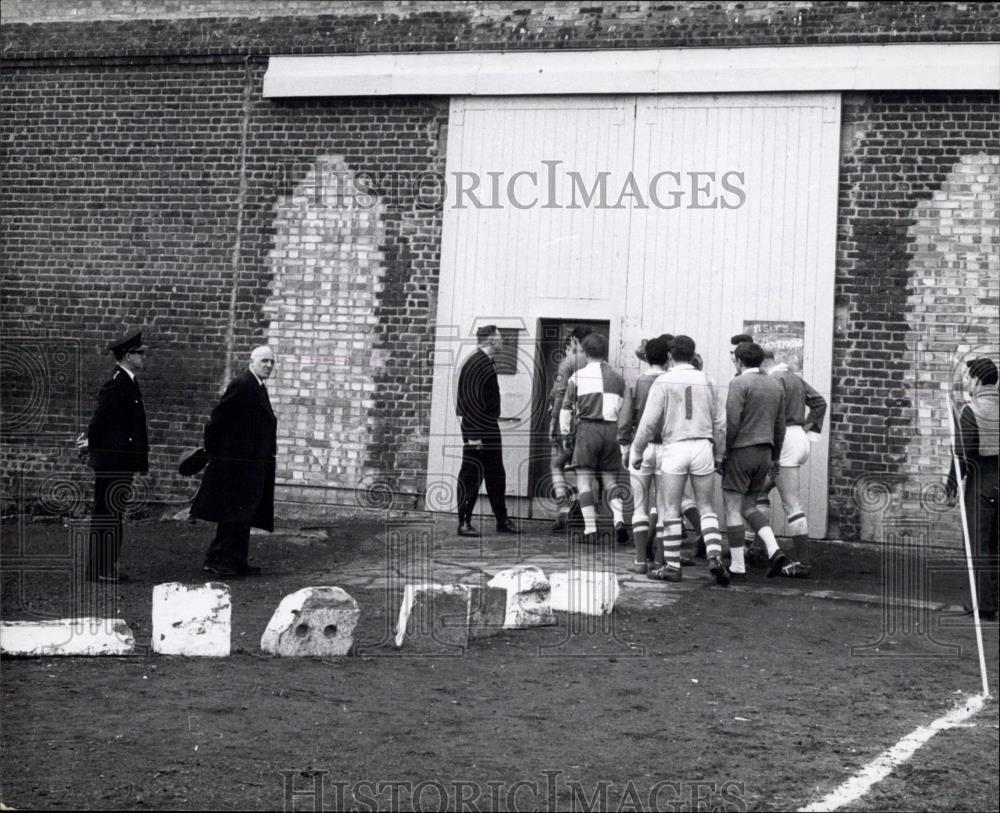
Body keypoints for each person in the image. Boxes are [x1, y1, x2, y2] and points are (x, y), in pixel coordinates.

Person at [632, 335, 726, 583]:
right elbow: (720, 423)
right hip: (703, 445)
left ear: (671, 356)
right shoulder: (708, 380)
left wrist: (638, 450)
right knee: (706, 506)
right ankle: (714, 555)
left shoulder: (664, 380)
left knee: (671, 508)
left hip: (675, 447)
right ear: (693, 354)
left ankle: (672, 566)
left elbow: (649, 423)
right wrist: (718, 454)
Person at [191, 345, 278, 576]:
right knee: (232, 513)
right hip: (236, 464)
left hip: (251, 464)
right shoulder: (242, 384)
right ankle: (216, 560)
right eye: (264, 361)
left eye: (272, 362)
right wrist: (219, 453)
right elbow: (217, 420)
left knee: (243, 513)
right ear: (252, 362)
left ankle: (236, 560)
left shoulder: (257, 387)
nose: (269, 366)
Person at [81, 331, 150, 582]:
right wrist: (96, 448)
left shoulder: (127, 381)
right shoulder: (116, 383)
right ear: (127, 355)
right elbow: (99, 423)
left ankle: (105, 566)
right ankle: (101, 569)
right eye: (139, 353)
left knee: (112, 513)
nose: (144, 357)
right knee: (108, 514)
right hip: (113, 462)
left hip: (119, 461)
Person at [720, 341, 787, 583]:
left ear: (738, 361)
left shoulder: (738, 383)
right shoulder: (775, 384)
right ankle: (774, 549)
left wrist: (724, 453)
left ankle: (738, 566)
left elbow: (732, 422)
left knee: (732, 508)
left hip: (742, 451)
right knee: (750, 506)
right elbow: (780, 426)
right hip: (765, 452)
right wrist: (775, 456)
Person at [758, 348, 828, 576]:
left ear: (763, 362)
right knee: (758, 492)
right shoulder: (794, 378)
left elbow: (772, 416)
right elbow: (819, 402)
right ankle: (757, 547)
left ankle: (804, 564)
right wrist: (806, 427)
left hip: (785, 439)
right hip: (797, 437)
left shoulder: (772, 380)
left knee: (791, 503)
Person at [560, 333, 627, 545]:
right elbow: (623, 410)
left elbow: (566, 409)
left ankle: (590, 529)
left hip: (588, 429)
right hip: (611, 430)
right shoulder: (618, 378)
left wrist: (564, 434)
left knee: (584, 481)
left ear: (586, 353)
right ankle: (619, 520)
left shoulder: (577, 377)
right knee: (610, 481)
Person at [947, 357, 998, 621]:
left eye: (969, 377)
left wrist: (952, 485)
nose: (967, 382)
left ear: (977, 380)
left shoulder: (972, 410)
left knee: (979, 545)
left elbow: (963, 455)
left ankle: (985, 605)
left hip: (982, 483)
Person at [455, 325, 518, 536]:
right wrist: (473, 437)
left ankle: (502, 520)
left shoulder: (485, 362)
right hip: (478, 429)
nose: (503, 341)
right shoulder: (476, 364)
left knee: (496, 475)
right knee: (471, 475)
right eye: (500, 338)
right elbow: (469, 403)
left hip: (488, 427)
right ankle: (464, 522)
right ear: (491, 340)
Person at [617, 336, 669, 573]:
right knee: (664, 506)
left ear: (646, 358)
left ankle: (639, 561)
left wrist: (625, 448)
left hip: (642, 446)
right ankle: (659, 560)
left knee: (639, 504)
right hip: (668, 448)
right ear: (668, 357)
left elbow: (625, 421)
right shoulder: (672, 382)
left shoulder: (636, 384)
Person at [548, 326, 592, 532]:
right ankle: (584, 513)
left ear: (574, 340)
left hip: (567, 421)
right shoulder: (595, 363)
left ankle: (563, 508)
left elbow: (559, 393)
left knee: (557, 464)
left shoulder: (568, 362)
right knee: (585, 470)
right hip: (588, 424)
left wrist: (553, 420)